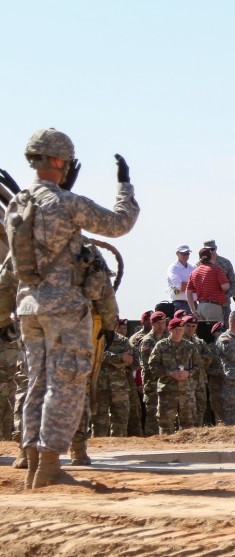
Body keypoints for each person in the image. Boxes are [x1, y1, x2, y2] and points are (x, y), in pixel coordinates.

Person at [1, 130, 139, 485]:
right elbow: (119, 224)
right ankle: (49, 466)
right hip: (64, 308)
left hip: (29, 307)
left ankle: (32, 460)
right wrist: (125, 186)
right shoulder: (66, 202)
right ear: (61, 162)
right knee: (66, 384)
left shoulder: (17, 202)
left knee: (37, 382)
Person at [148, 318, 197, 434]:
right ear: (170, 330)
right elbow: (152, 365)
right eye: (175, 329)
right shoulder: (161, 346)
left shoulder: (190, 346)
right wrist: (169, 373)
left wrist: (189, 373)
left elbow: (198, 366)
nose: (178, 332)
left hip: (186, 391)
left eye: (180, 329)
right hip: (167, 391)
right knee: (166, 423)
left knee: (188, 424)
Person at [93, 320, 134, 437]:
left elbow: (129, 360)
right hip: (100, 386)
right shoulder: (95, 337)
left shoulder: (123, 340)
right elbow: (95, 356)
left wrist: (106, 358)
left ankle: (119, 446)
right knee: (99, 421)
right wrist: (119, 357)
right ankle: (99, 449)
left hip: (119, 387)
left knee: (121, 420)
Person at [186, 247, 230, 327]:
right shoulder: (217, 269)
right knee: (215, 333)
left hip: (200, 307)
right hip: (213, 306)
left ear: (200, 258)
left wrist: (193, 310)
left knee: (204, 334)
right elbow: (225, 287)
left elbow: (188, 292)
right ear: (210, 257)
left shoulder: (194, 272)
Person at [202, 239, 235, 324]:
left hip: (223, 305)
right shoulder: (200, 265)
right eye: (207, 250)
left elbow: (234, 284)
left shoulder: (225, 263)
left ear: (216, 248)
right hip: (207, 305)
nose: (210, 252)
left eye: (212, 249)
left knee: (225, 330)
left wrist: (226, 296)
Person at [166, 245, 193, 314]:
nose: (186, 255)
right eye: (183, 253)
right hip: (180, 303)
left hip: (193, 304)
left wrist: (187, 285)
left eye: (187, 253)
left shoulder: (192, 267)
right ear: (177, 254)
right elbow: (180, 286)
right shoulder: (173, 268)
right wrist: (194, 286)